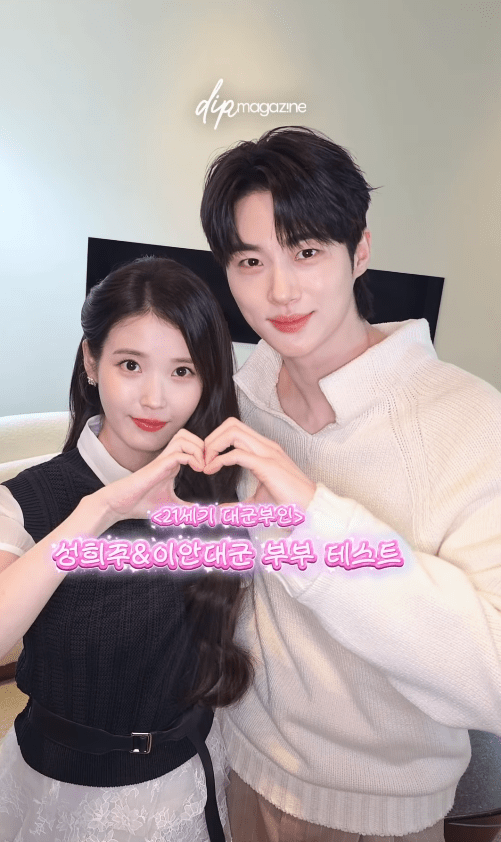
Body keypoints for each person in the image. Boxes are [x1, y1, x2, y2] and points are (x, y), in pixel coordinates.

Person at [199, 126, 501, 842]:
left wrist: (313, 518)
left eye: (305, 252)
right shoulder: (239, 396)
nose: (279, 290)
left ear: (358, 249)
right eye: (250, 260)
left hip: (376, 818)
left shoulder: (468, 421)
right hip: (237, 766)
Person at [0, 256, 253, 842]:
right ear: (91, 362)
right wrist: (102, 510)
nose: (154, 398)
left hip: (183, 780)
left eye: (183, 371)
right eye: (130, 364)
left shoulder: (220, 488)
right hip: (56, 787)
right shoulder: (31, 500)